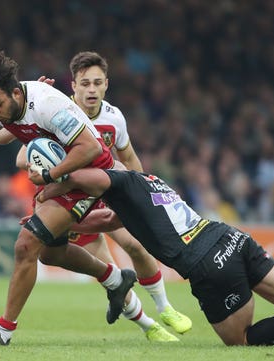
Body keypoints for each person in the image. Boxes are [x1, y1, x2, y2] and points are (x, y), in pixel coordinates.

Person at [35, 167, 274, 347]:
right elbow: (108, 219)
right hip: (229, 236)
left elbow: (95, 181)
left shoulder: (115, 180)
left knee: (239, 339)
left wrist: (51, 188)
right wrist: (62, 225)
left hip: (206, 264)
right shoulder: (145, 184)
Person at [0, 49, 137, 346]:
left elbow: (91, 149)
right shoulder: (2, 106)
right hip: (65, 177)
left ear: (16, 93)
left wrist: (48, 176)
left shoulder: (47, 105)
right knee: (50, 253)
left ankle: (2, 332)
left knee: (26, 245)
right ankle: (115, 279)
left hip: (91, 174)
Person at [43, 51, 191, 341]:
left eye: (97, 83)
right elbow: (29, 156)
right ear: (72, 86)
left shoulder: (114, 118)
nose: (91, 90)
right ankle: (149, 327)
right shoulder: (56, 114)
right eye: (84, 83)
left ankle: (165, 307)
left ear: (106, 84)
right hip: (70, 201)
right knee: (109, 273)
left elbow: (130, 157)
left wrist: (142, 192)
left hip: (106, 194)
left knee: (136, 245)